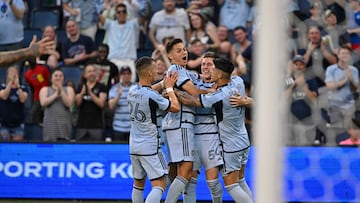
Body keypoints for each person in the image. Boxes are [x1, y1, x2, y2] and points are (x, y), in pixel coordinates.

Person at [175, 57, 253, 203]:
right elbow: (245, 94)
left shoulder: (218, 96)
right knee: (241, 180)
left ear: (220, 74)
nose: (210, 69)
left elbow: (192, 101)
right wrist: (247, 101)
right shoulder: (238, 82)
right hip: (244, 139)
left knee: (231, 185)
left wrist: (173, 91)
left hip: (231, 144)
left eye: (213, 68)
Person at [162, 38, 211, 203]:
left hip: (176, 124)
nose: (184, 52)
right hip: (180, 123)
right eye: (178, 51)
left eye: (184, 49)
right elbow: (193, 91)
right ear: (170, 56)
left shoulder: (187, 72)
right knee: (187, 168)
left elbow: (195, 84)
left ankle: (155, 194)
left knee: (174, 173)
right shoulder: (176, 69)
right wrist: (213, 90)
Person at [128, 56, 180, 203]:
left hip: (134, 144)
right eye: (155, 68)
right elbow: (175, 107)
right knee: (160, 184)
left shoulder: (131, 91)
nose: (158, 71)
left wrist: (162, 83)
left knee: (138, 183)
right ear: (150, 73)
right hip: (150, 145)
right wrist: (169, 88)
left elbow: (147, 90)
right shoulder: (152, 96)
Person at [182, 52, 224, 203]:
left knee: (212, 182)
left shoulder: (220, 85)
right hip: (192, 136)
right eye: (203, 64)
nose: (205, 67)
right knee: (189, 181)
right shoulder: (193, 80)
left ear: (216, 67)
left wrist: (190, 97)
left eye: (209, 64)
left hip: (211, 135)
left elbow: (194, 100)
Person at [99, 3, 146, 82]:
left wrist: (143, 11)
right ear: (116, 14)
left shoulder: (132, 24)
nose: (121, 13)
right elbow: (100, 18)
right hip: (113, 60)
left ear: (126, 14)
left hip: (129, 60)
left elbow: (143, 18)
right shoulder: (110, 24)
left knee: (130, 86)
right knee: (112, 85)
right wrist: (99, 10)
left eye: (124, 11)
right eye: (119, 12)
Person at [284, 55, 319, 146]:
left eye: (301, 64)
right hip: (291, 121)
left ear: (304, 66)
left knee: (306, 147)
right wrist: (293, 85)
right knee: (291, 148)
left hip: (308, 122)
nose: (299, 67)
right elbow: (283, 99)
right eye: (296, 64)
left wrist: (303, 86)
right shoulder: (288, 81)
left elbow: (314, 99)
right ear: (293, 66)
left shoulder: (311, 80)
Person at [325, 45, 359, 130]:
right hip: (335, 104)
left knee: (350, 130)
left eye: (347, 53)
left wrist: (351, 79)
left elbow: (355, 89)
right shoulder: (331, 69)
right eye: (343, 53)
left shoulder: (354, 70)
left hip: (349, 104)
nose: (345, 55)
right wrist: (345, 79)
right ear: (338, 55)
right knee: (337, 130)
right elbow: (330, 86)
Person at [39, 68, 75, 142]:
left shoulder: (69, 89)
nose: (58, 78)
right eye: (56, 76)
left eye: (60, 76)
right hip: (50, 122)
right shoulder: (45, 89)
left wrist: (61, 90)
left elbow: (69, 103)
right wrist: (56, 94)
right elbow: (43, 103)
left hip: (64, 122)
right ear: (51, 78)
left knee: (64, 145)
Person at [75, 64, 107, 141]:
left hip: (96, 126)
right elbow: (77, 104)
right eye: (89, 71)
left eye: (93, 71)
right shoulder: (80, 87)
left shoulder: (101, 86)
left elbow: (101, 104)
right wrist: (81, 94)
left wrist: (90, 92)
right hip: (82, 125)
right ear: (85, 75)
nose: (92, 73)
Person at [108, 66, 136, 142]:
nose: (126, 76)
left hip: (133, 128)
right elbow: (110, 107)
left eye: (128, 73)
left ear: (131, 75)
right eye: (124, 74)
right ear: (120, 76)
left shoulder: (137, 87)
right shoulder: (115, 88)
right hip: (118, 127)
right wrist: (118, 95)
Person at [0, 66, 28, 141]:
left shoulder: (23, 88)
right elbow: (4, 96)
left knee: (17, 145)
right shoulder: (2, 87)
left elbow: (23, 99)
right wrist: (10, 83)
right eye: (11, 73)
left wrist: (18, 86)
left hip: (18, 124)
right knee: (5, 144)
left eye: (15, 73)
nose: (13, 75)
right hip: (4, 123)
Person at [24, 57, 51, 125]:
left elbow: (50, 79)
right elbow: (31, 88)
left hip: (48, 94)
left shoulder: (43, 69)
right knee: (32, 115)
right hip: (37, 97)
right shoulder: (27, 74)